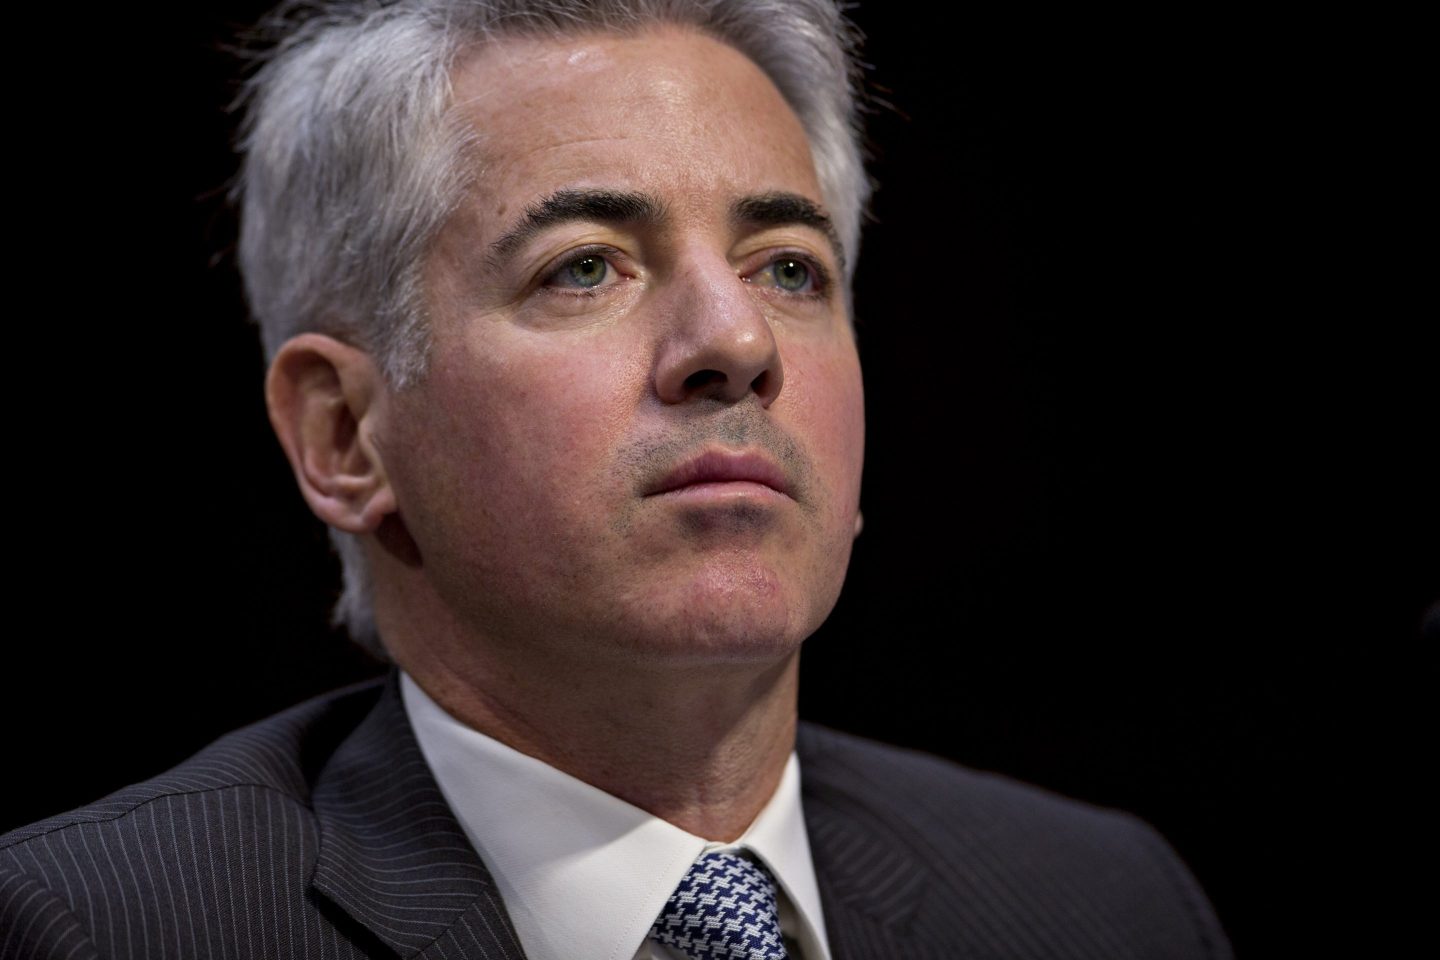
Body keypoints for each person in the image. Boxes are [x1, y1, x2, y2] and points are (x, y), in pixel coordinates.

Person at [0, 2, 1231, 958]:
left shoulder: (1102, 906)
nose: (737, 343)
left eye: (789, 269)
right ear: (345, 436)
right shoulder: (98, 929)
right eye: (585, 267)